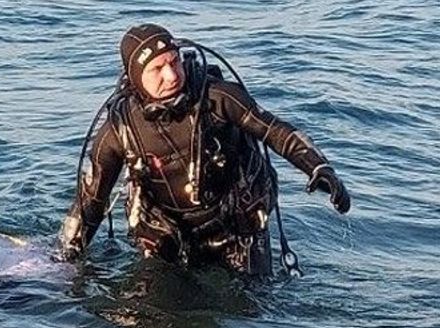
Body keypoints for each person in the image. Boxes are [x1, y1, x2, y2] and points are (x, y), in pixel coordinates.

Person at [59, 24, 350, 275]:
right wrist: (65, 259)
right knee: (154, 322)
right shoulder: (120, 129)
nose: (172, 76)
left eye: (174, 62)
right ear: (136, 78)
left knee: (253, 314)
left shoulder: (217, 98)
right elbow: (91, 201)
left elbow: (275, 131)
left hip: (237, 229)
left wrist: (319, 167)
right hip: (167, 237)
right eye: (157, 69)